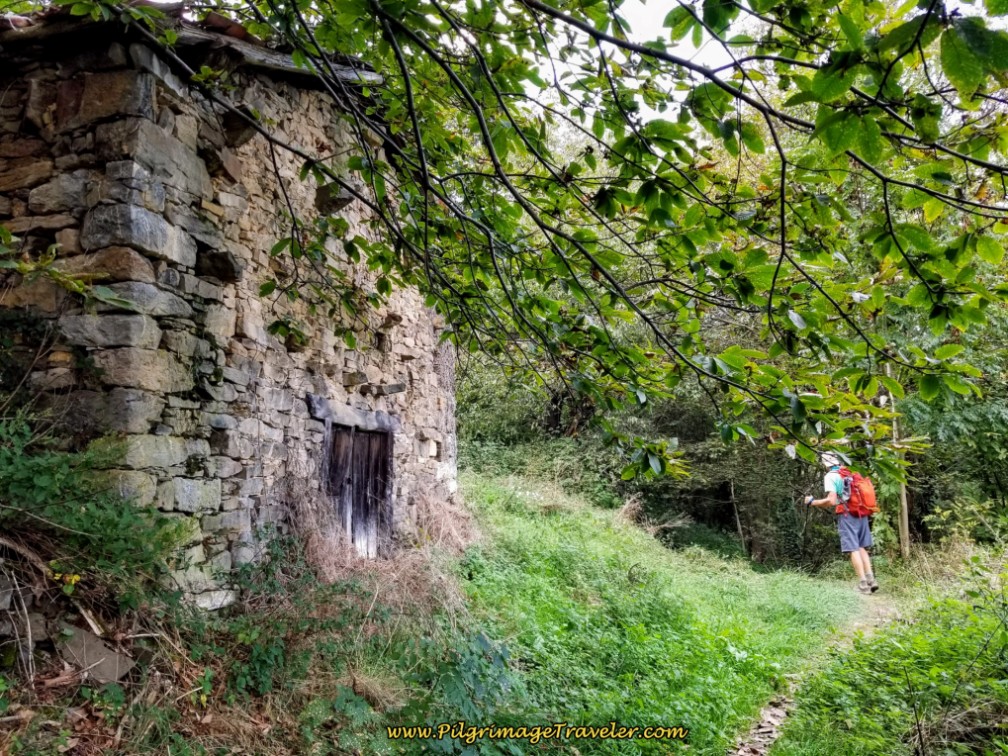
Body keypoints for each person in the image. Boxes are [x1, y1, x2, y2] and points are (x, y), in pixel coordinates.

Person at [805, 452, 879, 594]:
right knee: (861, 547)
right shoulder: (851, 471)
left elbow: (831, 501)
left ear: (825, 463)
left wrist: (813, 502)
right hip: (862, 512)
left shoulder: (831, 476)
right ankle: (871, 579)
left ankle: (863, 584)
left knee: (853, 549)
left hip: (847, 515)